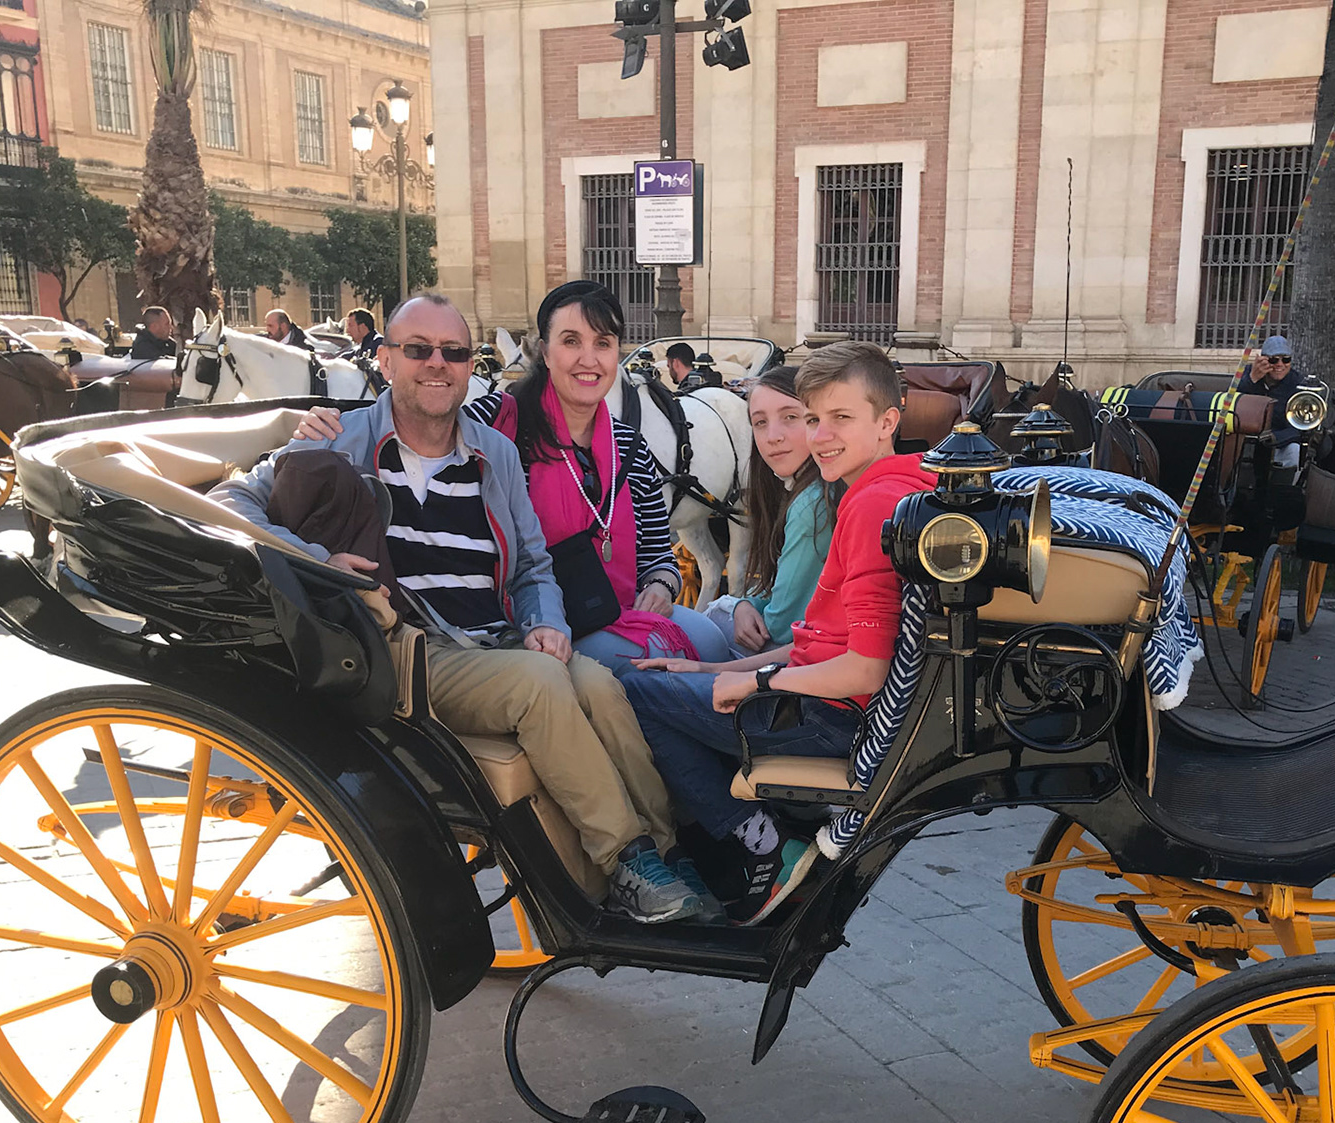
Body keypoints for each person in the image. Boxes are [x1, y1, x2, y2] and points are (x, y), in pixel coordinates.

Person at [213, 293, 714, 923]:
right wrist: (316, 560)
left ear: (469, 365)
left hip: (494, 639)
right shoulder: (339, 438)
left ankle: (667, 854)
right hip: (404, 649)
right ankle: (625, 862)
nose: (437, 364)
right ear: (386, 360)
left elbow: (532, 565)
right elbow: (231, 501)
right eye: (418, 349)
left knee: (599, 685)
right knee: (538, 684)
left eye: (453, 352)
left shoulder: (492, 453)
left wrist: (546, 622)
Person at [618, 341, 933, 922]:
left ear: (888, 422)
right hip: (825, 704)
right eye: (814, 419)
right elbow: (820, 641)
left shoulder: (868, 507)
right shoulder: (893, 488)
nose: (821, 437)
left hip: (823, 718)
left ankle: (757, 840)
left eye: (840, 418)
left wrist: (755, 683)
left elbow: (864, 668)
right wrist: (712, 669)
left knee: (633, 691)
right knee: (671, 681)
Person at [466, 280, 729, 673]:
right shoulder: (497, 422)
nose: (588, 359)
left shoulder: (630, 447)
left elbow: (659, 554)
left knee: (712, 640)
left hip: (616, 610)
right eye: (571, 341)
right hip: (527, 623)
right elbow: (422, 433)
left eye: (603, 343)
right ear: (545, 352)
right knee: (657, 657)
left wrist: (660, 586)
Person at [699, 366, 835, 657]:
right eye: (760, 423)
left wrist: (736, 606)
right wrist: (745, 603)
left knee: (710, 621)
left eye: (790, 417)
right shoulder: (812, 492)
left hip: (804, 659)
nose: (772, 436)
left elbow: (783, 625)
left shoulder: (811, 505)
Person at [1234, 334, 1310, 473]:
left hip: (1280, 442)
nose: (1280, 364)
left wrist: (1275, 437)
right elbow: (1233, 402)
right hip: (1246, 439)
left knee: (1294, 451)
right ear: (1263, 360)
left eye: (1285, 359)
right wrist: (1252, 379)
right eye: (1274, 360)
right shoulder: (1248, 373)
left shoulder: (1297, 383)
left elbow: (1299, 427)